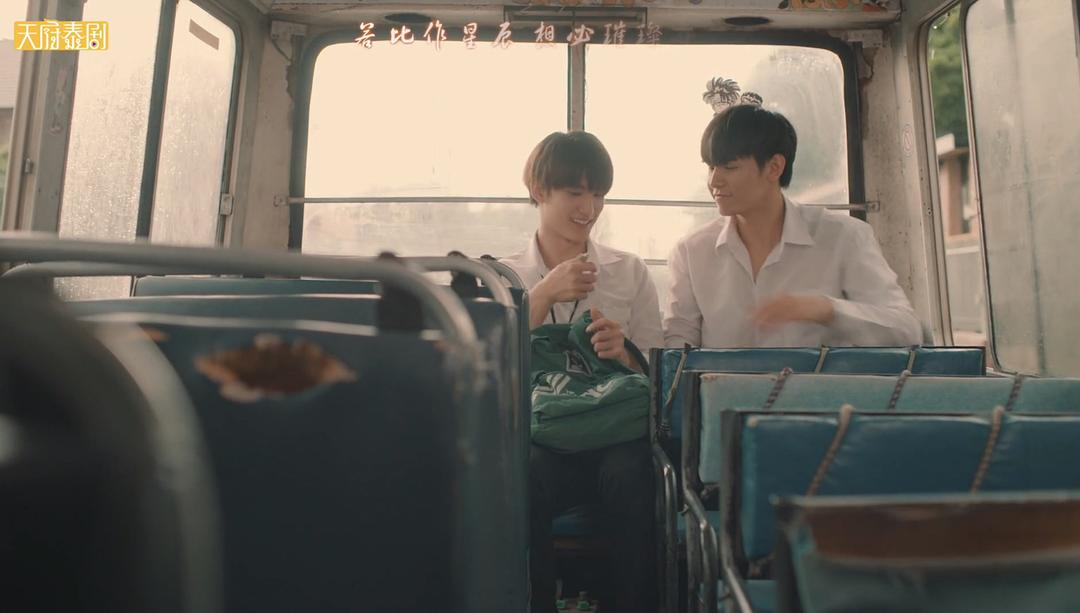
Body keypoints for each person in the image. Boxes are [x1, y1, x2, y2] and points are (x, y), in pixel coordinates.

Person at [500, 131, 660, 613]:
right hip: (544, 437)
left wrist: (624, 354)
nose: (589, 208)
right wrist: (543, 294)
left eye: (598, 194)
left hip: (615, 434)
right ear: (539, 190)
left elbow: (659, 366)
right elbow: (487, 363)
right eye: (575, 192)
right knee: (520, 475)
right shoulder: (503, 276)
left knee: (633, 476)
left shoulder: (629, 271)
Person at [664, 104, 922, 348]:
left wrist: (826, 309)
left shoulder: (843, 237)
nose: (714, 181)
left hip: (816, 383)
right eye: (711, 168)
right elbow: (676, 348)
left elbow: (906, 330)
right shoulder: (691, 252)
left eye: (730, 167)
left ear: (774, 167)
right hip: (718, 383)